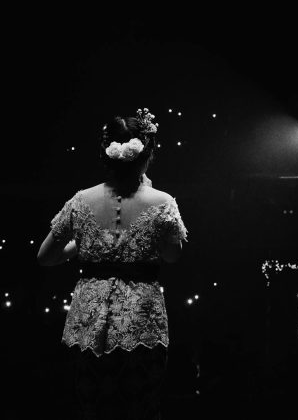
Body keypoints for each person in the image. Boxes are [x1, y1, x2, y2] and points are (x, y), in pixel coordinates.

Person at [37, 108, 188, 419]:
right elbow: (173, 255)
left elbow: (45, 257)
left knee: (92, 407)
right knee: (139, 406)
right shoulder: (162, 202)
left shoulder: (81, 200)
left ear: (106, 155)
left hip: (87, 320)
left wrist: (80, 245)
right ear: (146, 153)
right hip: (141, 322)